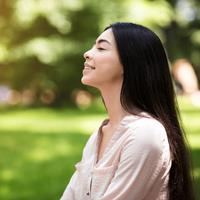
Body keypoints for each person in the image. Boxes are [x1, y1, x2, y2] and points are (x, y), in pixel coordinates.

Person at [60, 22, 195, 200]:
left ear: (129, 62)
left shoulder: (146, 134)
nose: (87, 53)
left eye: (101, 48)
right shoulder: (97, 137)